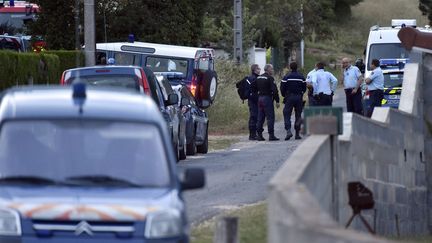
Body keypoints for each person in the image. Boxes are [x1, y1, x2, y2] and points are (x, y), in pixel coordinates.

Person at [252, 64, 280, 141]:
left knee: (260, 117)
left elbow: (253, 87)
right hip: (267, 99)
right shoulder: (270, 78)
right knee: (270, 117)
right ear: (268, 69)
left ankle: (259, 135)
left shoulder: (259, 77)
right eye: (272, 69)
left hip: (260, 99)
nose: (273, 70)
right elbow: (275, 90)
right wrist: (277, 101)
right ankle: (271, 135)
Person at [280, 62, 306, 140]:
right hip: (298, 97)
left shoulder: (286, 77)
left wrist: (284, 95)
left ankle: (288, 131)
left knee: (286, 113)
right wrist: (301, 93)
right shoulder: (301, 76)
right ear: (297, 67)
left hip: (289, 97)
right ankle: (297, 134)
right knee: (298, 115)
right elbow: (304, 88)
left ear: (290, 67)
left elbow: (282, 88)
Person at [247, 64, 261, 140]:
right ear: (255, 70)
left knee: (253, 117)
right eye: (258, 69)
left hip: (251, 100)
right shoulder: (254, 78)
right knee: (254, 117)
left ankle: (253, 134)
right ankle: (252, 135)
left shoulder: (250, 78)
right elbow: (254, 91)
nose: (260, 70)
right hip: (254, 100)